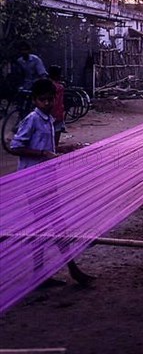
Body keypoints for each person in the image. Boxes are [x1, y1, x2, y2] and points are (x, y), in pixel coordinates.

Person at [10, 78, 94, 286]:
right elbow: (15, 146)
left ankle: (55, 272)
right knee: (49, 226)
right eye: (42, 100)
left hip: (47, 180)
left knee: (55, 226)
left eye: (49, 99)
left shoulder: (49, 120)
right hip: (33, 180)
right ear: (34, 100)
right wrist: (43, 153)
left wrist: (63, 152)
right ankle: (63, 271)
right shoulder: (32, 119)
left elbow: (49, 149)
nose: (46, 103)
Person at [48, 65, 65, 147]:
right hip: (57, 112)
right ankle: (54, 149)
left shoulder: (47, 85)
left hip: (49, 112)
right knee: (56, 131)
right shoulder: (59, 87)